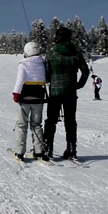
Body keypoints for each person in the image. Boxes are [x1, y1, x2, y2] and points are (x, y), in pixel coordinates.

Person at [44, 27, 90, 160]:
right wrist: (78, 85)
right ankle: (71, 149)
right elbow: (85, 72)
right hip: (71, 93)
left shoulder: (51, 54)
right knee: (70, 121)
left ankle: (48, 149)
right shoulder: (76, 54)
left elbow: (46, 75)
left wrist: (51, 79)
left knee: (51, 120)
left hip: (55, 92)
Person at [11, 42, 48, 162]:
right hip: (39, 98)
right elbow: (46, 79)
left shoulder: (23, 64)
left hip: (25, 97)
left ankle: (19, 151)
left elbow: (20, 80)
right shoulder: (43, 63)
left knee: (22, 124)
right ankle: (39, 151)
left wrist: (16, 93)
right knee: (36, 124)